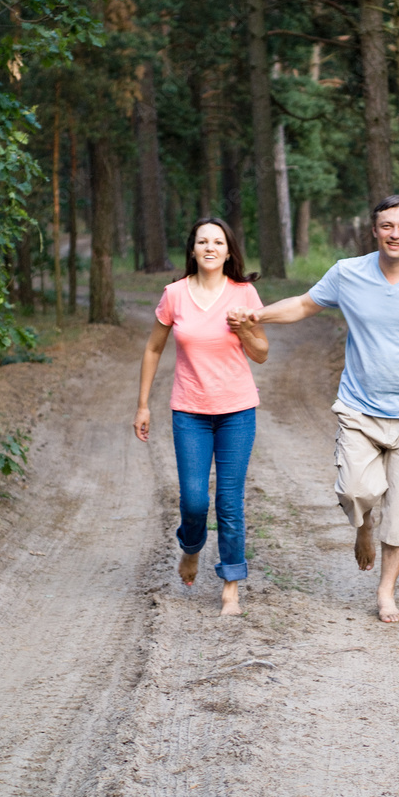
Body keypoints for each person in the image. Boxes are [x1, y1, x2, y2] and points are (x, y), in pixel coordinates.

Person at [227, 194, 399, 623]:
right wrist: (256, 318)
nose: (395, 234)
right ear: (374, 230)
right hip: (360, 409)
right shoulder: (349, 273)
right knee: (355, 492)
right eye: (387, 226)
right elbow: (305, 304)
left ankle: (386, 592)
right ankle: (363, 525)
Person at [134, 217, 268, 617]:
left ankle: (230, 586)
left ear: (229, 251)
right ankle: (190, 549)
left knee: (229, 502)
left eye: (218, 242)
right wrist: (143, 404)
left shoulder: (244, 293)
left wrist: (244, 329)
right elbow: (153, 349)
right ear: (192, 250)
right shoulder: (174, 294)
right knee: (194, 501)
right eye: (202, 241)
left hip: (237, 411)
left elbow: (261, 353)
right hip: (189, 411)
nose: (210, 247)